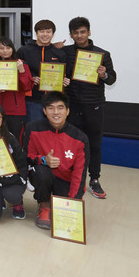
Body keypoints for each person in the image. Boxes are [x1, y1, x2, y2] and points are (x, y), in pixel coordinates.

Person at [62, 16, 116, 199]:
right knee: (71, 144)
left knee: (94, 144)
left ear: (89, 32)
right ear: (71, 35)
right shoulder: (66, 52)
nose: (79, 35)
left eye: (82, 32)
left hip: (94, 105)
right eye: (75, 32)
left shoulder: (102, 54)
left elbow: (112, 78)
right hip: (72, 106)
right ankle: (71, 177)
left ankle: (94, 179)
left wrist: (104, 74)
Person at [22, 91, 89, 229]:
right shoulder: (32, 128)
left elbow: (79, 174)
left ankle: (60, 202)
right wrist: (44, 160)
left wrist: (73, 203)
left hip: (65, 180)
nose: (56, 112)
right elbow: (27, 157)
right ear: (44, 111)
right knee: (40, 172)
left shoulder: (80, 138)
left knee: (65, 209)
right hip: (44, 175)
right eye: (51, 108)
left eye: (60, 107)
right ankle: (44, 205)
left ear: (68, 111)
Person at [16, 19, 67, 123]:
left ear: (53, 34)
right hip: (33, 100)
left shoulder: (59, 53)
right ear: (36, 33)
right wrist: (31, 79)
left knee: (53, 133)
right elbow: (17, 75)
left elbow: (64, 74)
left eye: (48, 32)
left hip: (54, 101)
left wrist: (65, 81)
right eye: (41, 31)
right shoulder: (24, 51)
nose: (45, 35)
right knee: (34, 132)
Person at [0, 37, 33, 141]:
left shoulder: (21, 64)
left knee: (15, 140)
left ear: (13, 49)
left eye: (8, 48)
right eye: (2, 48)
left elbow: (27, 87)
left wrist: (21, 71)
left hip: (16, 111)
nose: (5, 51)